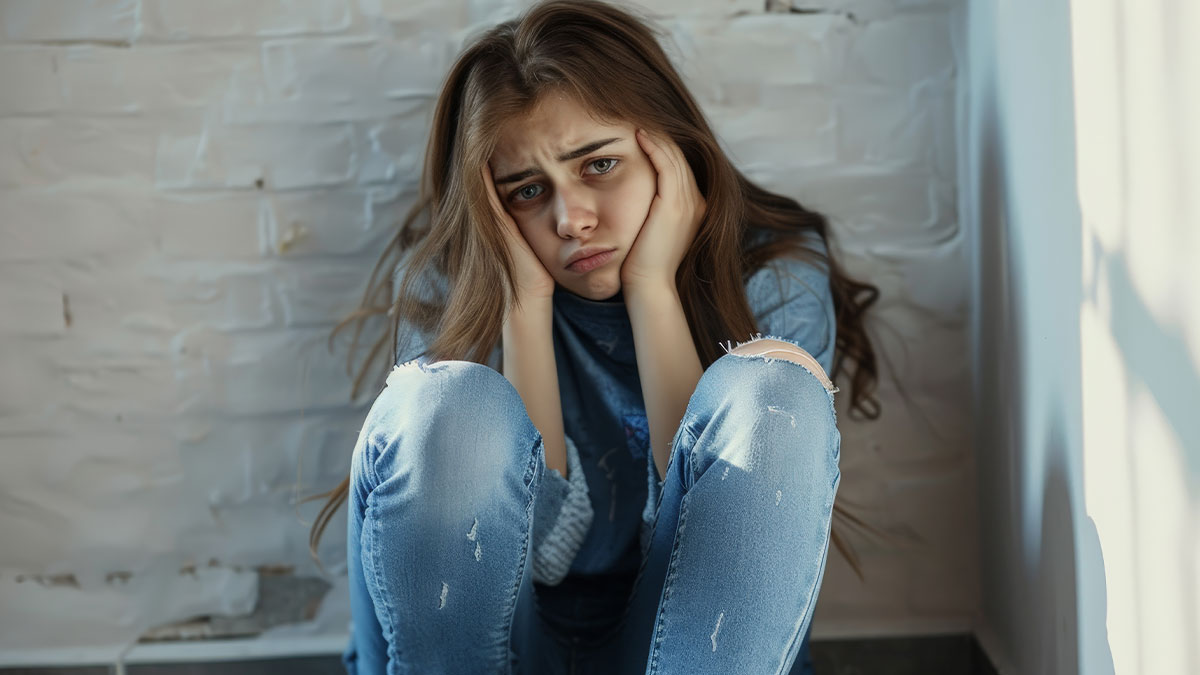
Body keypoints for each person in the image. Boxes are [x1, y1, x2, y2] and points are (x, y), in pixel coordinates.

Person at [306, 1, 882, 672]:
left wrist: (653, 290)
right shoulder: (451, 287)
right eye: (526, 190)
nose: (570, 218)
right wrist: (523, 305)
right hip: (486, 642)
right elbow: (542, 547)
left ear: (669, 150)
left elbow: (708, 569)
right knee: (448, 405)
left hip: (688, 648)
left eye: (598, 165)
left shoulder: (776, 277)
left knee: (769, 391)